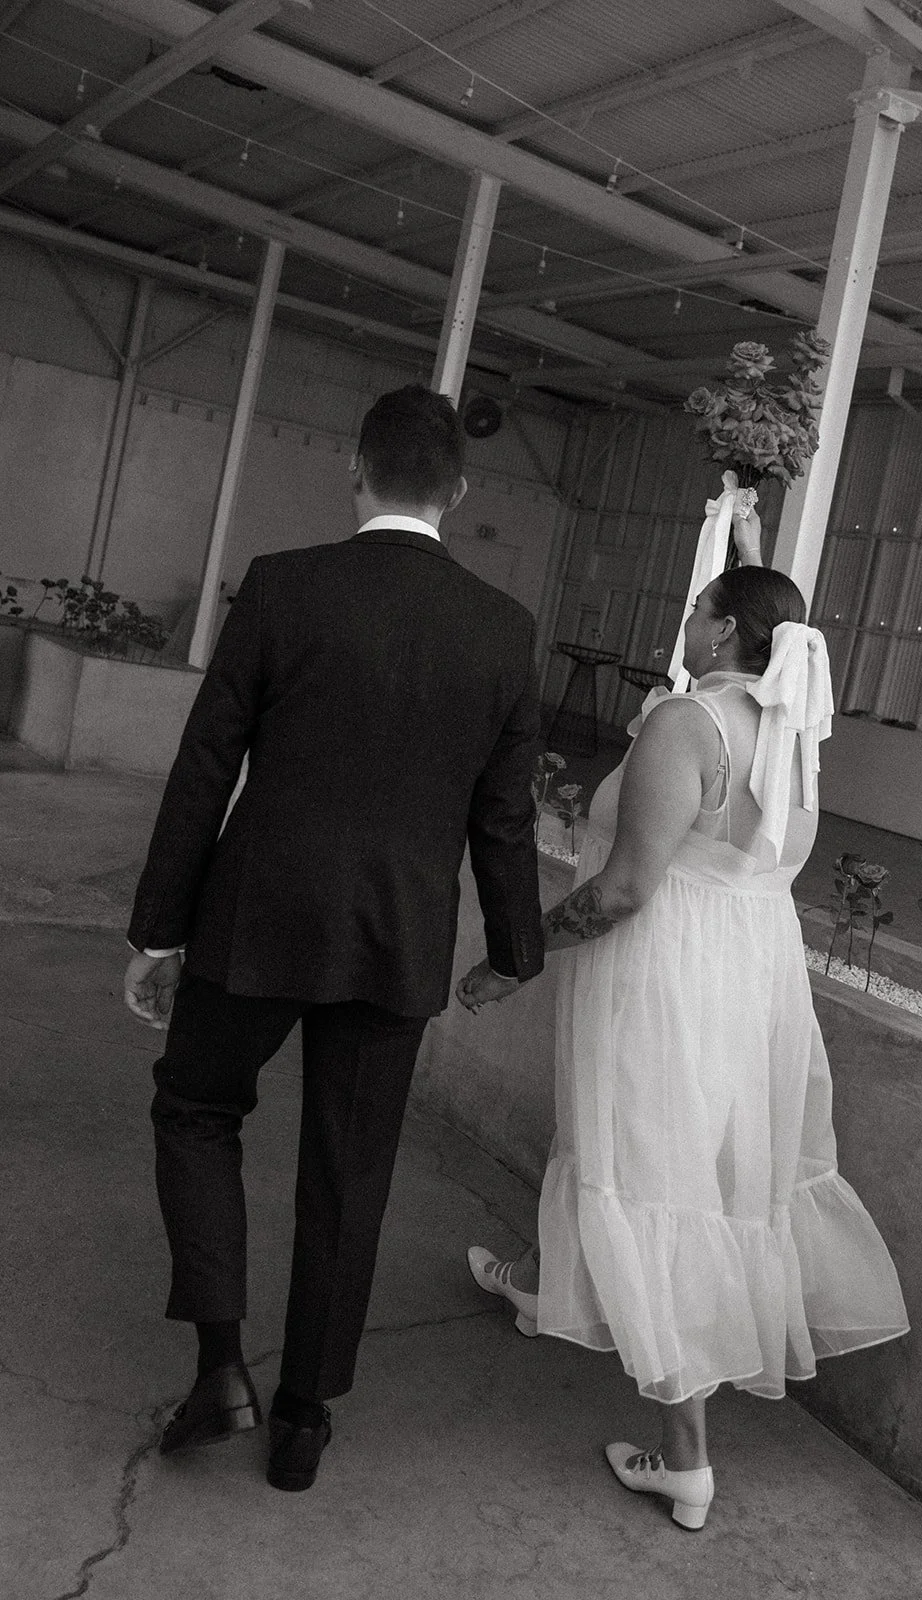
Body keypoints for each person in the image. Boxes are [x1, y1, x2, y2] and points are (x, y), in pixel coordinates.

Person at [124, 384, 544, 1492]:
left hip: (254, 920)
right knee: (349, 1171)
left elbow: (205, 762)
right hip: (396, 937)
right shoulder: (502, 628)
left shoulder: (282, 586)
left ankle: (220, 1363)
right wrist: (512, 947)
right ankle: (304, 1420)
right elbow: (503, 817)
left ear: (352, 470)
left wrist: (158, 928)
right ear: (457, 491)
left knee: (196, 1106)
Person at [460, 566, 908, 1531]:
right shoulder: (788, 739)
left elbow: (624, 889)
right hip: (748, 980)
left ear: (723, 632)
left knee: (649, 1177)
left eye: (696, 608)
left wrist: (513, 958)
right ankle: (540, 1283)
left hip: (662, 976)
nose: (685, 620)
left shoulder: (685, 723)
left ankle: (686, 1459)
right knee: (661, 1163)